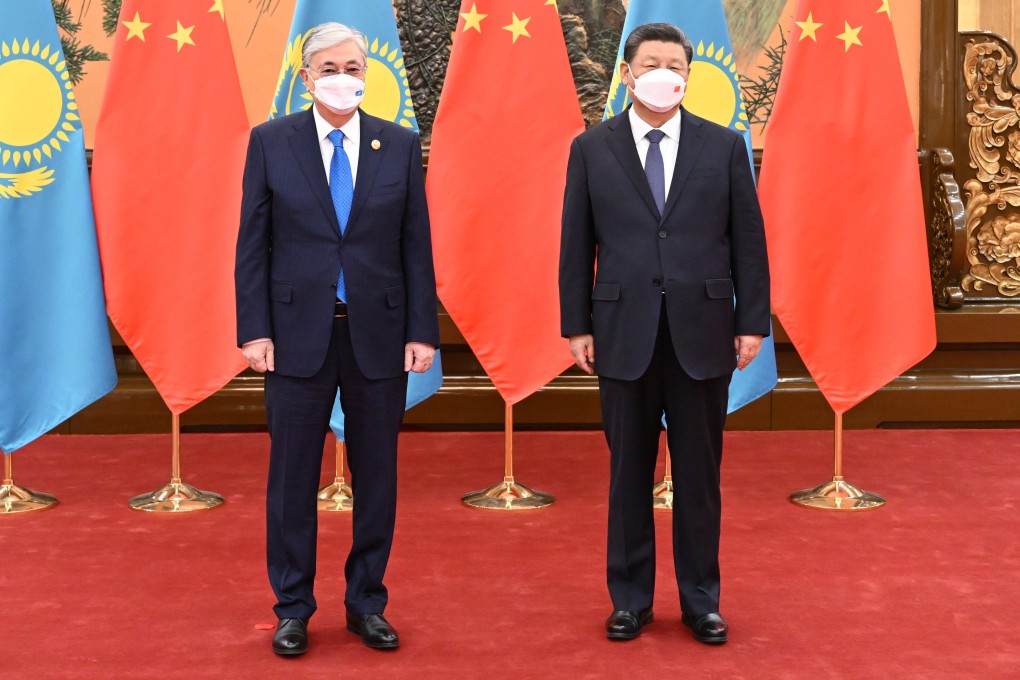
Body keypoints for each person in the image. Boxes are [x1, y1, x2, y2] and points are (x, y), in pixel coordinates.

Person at [559, 22, 770, 645]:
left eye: (675, 64)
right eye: (650, 62)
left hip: (704, 333)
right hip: (621, 331)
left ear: (688, 74)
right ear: (628, 72)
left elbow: (748, 244)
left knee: (700, 476)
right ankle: (630, 600)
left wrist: (751, 321)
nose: (663, 73)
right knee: (628, 472)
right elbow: (576, 244)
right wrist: (576, 325)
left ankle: (701, 600)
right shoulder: (591, 148)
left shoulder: (725, 146)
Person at [235, 22, 439, 656]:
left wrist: (422, 332)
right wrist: (254, 330)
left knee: (377, 477)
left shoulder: (400, 144)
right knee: (292, 479)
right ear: (306, 78)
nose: (344, 77)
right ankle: (293, 607)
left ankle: (366, 602)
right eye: (330, 68)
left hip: (379, 334)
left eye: (354, 66)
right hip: (295, 336)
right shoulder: (271, 142)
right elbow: (253, 245)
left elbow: (416, 245)